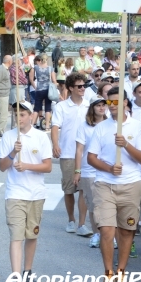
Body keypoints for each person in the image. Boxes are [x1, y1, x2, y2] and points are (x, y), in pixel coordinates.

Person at [87, 87, 141, 282]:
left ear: (124, 103)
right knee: (106, 230)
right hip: (105, 184)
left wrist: (126, 144)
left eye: (116, 102)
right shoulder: (101, 128)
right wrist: (109, 168)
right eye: (109, 102)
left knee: (126, 230)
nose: (112, 106)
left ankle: (121, 272)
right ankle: (108, 274)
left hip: (131, 184)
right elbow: (91, 158)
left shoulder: (138, 127)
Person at [0, 100, 53, 282]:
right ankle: (15, 277)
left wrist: (27, 166)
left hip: (36, 194)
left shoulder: (40, 137)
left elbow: (48, 166)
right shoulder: (8, 137)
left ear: (31, 116)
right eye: (16, 114)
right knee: (16, 235)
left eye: (22, 114)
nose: (18, 118)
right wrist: (13, 152)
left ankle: (27, 271)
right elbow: (2, 166)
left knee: (32, 235)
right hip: (15, 194)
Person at [51, 72, 89, 235]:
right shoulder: (61, 107)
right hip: (67, 153)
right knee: (69, 189)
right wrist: (55, 144)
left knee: (83, 189)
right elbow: (55, 126)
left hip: (86, 154)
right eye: (79, 86)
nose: (82, 89)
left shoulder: (89, 105)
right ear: (71, 88)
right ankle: (71, 220)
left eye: (84, 86)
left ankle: (81, 224)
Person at [74, 96, 107, 248]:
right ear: (92, 107)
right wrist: (77, 170)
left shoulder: (110, 124)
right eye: (98, 105)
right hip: (89, 171)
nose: (101, 108)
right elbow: (79, 150)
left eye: (103, 105)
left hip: (106, 170)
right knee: (93, 206)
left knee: (106, 205)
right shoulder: (84, 126)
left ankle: (108, 235)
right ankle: (96, 234)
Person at [29, 53, 56, 130]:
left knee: (36, 108)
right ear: (47, 60)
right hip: (48, 90)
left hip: (39, 89)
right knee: (48, 108)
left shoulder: (35, 67)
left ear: (39, 59)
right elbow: (54, 80)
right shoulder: (50, 68)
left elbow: (31, 79)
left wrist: (35, 86)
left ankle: (32, 124)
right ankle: (47, 125)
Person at [9, 55, 28, 129]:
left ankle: (17, 124)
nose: (21, 61)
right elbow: (24, 80)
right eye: (19, 60)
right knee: (16, 107)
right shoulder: (14, 69)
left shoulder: (18, 68)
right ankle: (15, 125)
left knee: (19, 107)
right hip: (17, 88)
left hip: (20, 88)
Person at [0, 55, 12, 137]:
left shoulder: (5, 69)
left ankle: (2, 129)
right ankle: (0, 129)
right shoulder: (2, 69)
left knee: (4, 113)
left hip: (5, 93)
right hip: (2, 94)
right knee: (2, 113)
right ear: (9, 61)